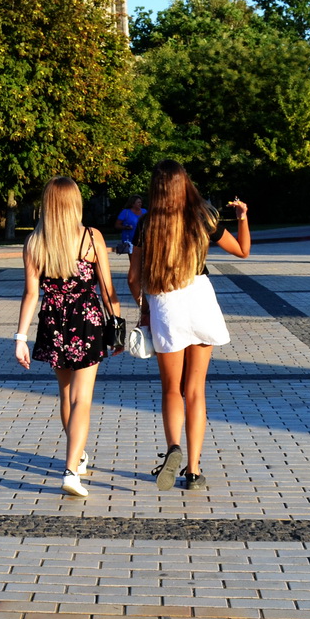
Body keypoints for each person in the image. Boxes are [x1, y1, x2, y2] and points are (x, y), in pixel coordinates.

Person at [127, 160, 250, 491]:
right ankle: (193, 471)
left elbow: (134, 278)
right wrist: (243, 218)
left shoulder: (146, 224)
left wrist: (144, 312)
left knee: (171, 389)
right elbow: (243, 251)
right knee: (195, 390)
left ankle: (173, 449)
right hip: (201, 299)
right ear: (185, 185)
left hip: (166, 303)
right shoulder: (204, 216)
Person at [14, 177, 122, 498]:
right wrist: (117, 331)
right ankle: (71, 470)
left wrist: (20, 337)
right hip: (87, 322)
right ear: (75, 203)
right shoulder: (92, 238)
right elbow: (107, 291)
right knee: (82, 399)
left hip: (53, 322)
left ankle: (78, 456)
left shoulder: (35, 243)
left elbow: (31, 294)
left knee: (66, 397)